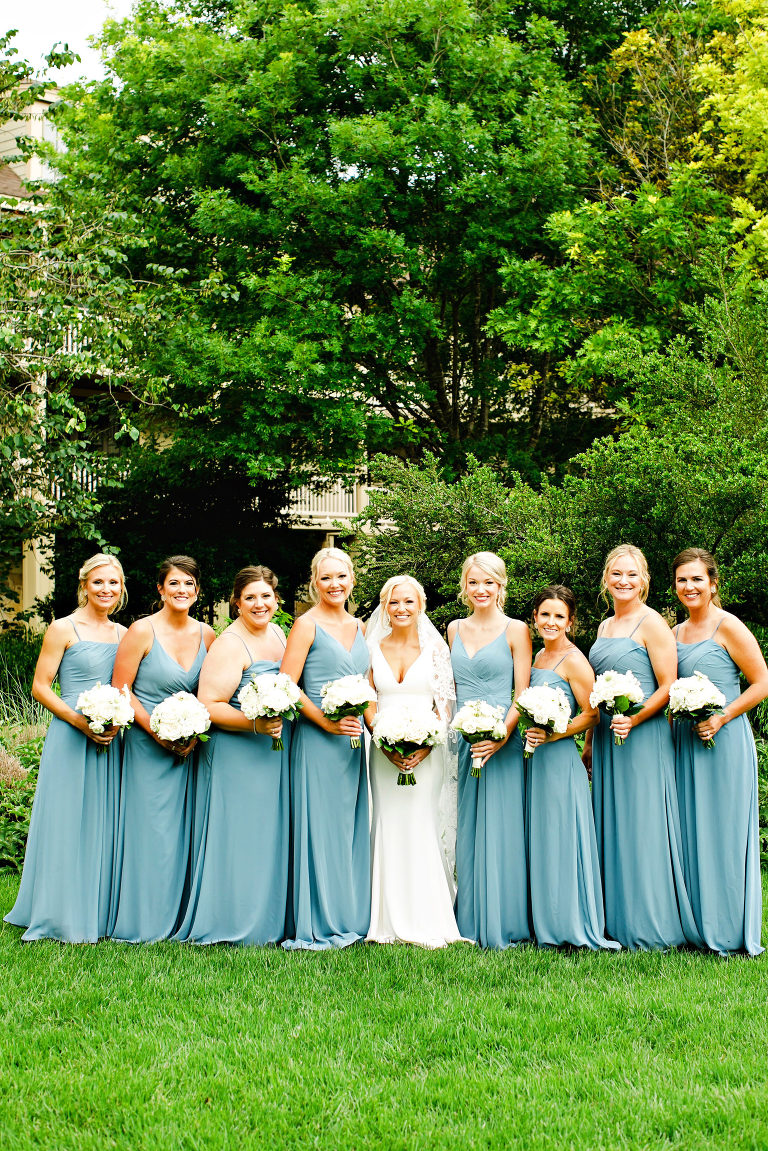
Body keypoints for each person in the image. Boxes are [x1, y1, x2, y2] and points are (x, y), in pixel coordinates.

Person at [4, 554, 127, 941]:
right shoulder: (63, 628)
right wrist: (78, 721)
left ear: (122, 588)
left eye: (113, 583)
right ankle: (56, 911)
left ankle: (98, 910)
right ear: (84, 585)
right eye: (98, 582)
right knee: (66, 819)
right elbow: (40, 687)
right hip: (71, 734)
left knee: (103, 820)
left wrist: (112, 720)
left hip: (109, 735)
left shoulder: (124, 634)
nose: (106, 589)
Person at [586, 544, 699, 950]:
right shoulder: (604, 626)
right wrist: (589, 741)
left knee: (642, 824)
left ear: (645, 581)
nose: (624, 581)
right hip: (607, 736)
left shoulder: (652, 623)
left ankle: (651, 923)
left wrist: (634, 719)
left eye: (632, 574)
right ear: (606, 579)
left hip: (643, 736)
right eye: (617, 573)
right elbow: (596, 690)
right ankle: (614, 918)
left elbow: (668, 685)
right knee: (612, 822)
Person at [175, 566, 290, 945]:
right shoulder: (229, 644)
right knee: (239, 837)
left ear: (277, 599)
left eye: (266, 596)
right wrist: (256, 724)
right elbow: (209, 704)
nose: (259, 604)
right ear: (236, 602)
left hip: (271, 753)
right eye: (250, 597)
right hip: (237, 754)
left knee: (265, 836)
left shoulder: (278, 634)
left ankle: (268, 921)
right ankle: (231, 922)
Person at [110, 556, 215, 942]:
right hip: (148, 744)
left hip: (191, 747)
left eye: (188, 584)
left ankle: (183, 915)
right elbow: (121, 689)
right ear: (160, 589)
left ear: (197, 591)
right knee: (151, 830)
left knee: (187, 829)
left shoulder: (208, 635)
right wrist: (158, 733)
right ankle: (144, 919)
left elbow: (212, 691)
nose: (181, 590)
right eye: (174, 583)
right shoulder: (141, 631)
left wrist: (194, 731)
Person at [672, 547, 767, 956]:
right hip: (685, 743)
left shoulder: (729, 626)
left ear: (713, 584)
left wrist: (723, 717)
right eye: (682, 580)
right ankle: (696, 925)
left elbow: (762, 682)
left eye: (697, 579)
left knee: (724, 831)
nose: (689, 586)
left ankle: (729, 930)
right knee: (691, 830)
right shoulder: (673, 633)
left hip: (724, 741)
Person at [366, 575, 465, 947]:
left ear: (421, 605)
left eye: (408, 601)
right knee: (387, 821)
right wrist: (382, 738)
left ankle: (428, 915)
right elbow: (368, 699)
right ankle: (384, 917)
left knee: (421, 821)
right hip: (382, 750)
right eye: (394, 602)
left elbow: (445, 705)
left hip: (428, 750)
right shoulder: (372, 647)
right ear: (384, 607)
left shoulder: (436, 650)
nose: (401, 608)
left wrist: (426, 744)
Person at [280, 547, 370, 949]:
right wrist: (325, 721)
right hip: (317, 741)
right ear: (315, 583)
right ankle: (317, 917)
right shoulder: (306, 624)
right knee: (321, 827)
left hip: (353, 744)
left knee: (348, 827)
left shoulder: (360, 626)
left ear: (352, 580)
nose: (334, 584)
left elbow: (367, 685)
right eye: (326, 577)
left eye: (341, 576)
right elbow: (287, 685)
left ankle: (350, 914)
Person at [522, 586, 619, 951]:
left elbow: (592, 714)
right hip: (535, 759)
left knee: (562, 837)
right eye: (545, 614)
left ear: (570, 622)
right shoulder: (538, 656)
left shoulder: (574, 660)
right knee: (543, 837)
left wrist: (554, 732)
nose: (551, 622)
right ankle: (543, 918)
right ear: (535, 618)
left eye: (559, 616)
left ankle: (569, 922)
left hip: (559, 759)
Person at [448, 552, 532, 949]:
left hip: (503, 740)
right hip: (464, 740)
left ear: (501, 586)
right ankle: (468, 916)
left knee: (501, 824)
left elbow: (522, 693)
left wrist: (500, 735)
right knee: (468, 823)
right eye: (474, 582)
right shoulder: (453, 629)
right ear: (464, 587)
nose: (480, 589)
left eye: (489, 582)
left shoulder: (517, 630)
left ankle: (505, 918)